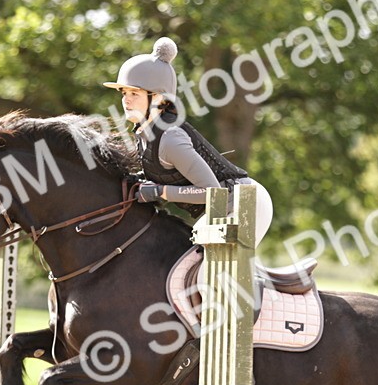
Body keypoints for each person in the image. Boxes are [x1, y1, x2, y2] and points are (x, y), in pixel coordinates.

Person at [103, 37, 274, 248]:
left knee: (207, 270)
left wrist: (159, 191)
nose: (126, 100)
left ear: (157, 98)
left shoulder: (171, 139)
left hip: (245, 204)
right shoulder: (144, 133)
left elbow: (214, 192)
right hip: (221, 208)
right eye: (124, 93)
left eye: (134, 93)